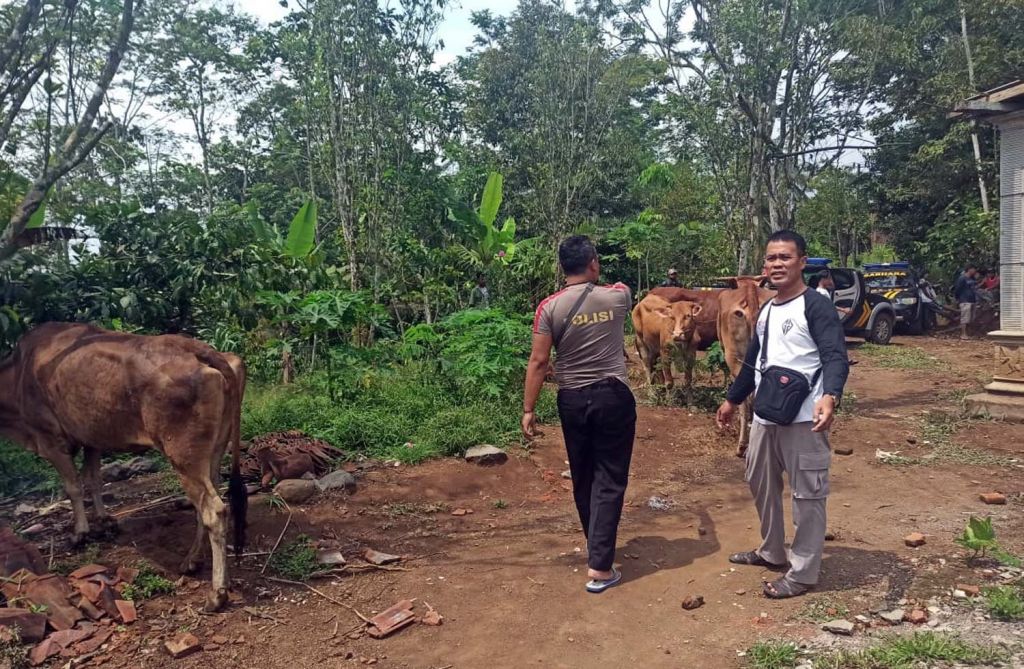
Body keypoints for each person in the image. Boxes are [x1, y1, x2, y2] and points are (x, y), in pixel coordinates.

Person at [715, 230, 850, 600]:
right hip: (766, 416)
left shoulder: (816, 305)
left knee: (808, 494)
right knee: (760, 482)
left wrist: (830, 396)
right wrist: (731, 401)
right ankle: (772, 550)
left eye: (785, 257)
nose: (777, 264)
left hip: (805, 418)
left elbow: (835, 356)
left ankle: (803, 572)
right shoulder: (767, 311)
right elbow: (753, 363)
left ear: (802, 262)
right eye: (771, 258)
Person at [522, 235, 635, 594]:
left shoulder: (548, 308)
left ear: (562, 267)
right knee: (610, 478)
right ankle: (600, 566)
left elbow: (539, 361)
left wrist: (528, 408)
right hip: (613, 397)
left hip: (571, 399)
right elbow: (623, 288)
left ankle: (596, 547)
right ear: (593, 263)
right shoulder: (618, 297)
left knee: (584, 477)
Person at [953, 265, 979, 340]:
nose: (975, 271)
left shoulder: (972, 278)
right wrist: (958, 299)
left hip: (972, 300)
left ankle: (968, 333)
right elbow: (957, 289)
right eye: (973, 269)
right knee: (965, 317)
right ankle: (963, 334)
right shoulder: (962, 278)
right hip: (965, 300)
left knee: (971, 318)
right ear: (969, 269)